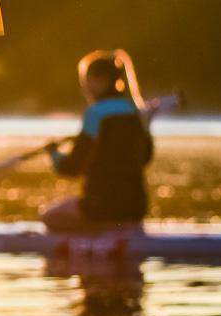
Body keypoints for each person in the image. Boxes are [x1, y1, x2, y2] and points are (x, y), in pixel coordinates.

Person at [41, 49, 154, 231]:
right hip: (136, 208)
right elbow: (146, 158)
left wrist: (54, 155)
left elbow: (73, 167)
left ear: (101, 80)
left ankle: (97, 240)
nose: (84, 88)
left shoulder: (96, 113)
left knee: (49, 217)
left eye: (87, 82)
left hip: (100, 206)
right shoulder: (136, 112)